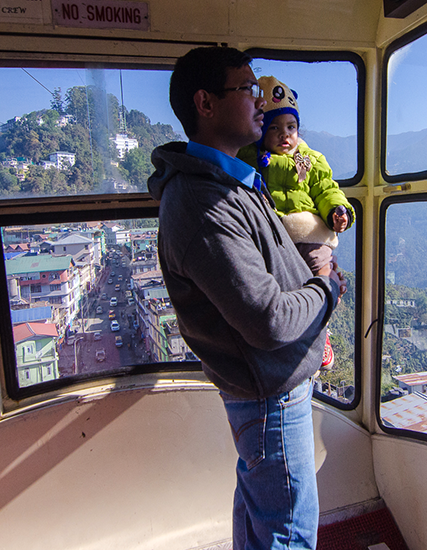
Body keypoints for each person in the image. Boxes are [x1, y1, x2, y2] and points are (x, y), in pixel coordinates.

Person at [148, 46, 346, 550]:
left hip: (267, 388)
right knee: (288, 534)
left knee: (261, 519)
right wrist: (327, 289)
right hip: (271, 396)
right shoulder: (202, 203)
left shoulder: (232, 180)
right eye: (247, 89)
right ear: (206, 103)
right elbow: (268, 321)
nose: (261, 101)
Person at [237, 75, 354, 369]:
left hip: (312, 233)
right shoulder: (251, 157)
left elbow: (327, 189)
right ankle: (295, 338)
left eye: (290, 127)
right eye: (273, 128)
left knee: (324, 276)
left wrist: (338, 211)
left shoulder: (311, 159)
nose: (284, 135)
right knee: (283, 290)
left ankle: (321, 332)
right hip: (276, 236)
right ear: (261, 131)